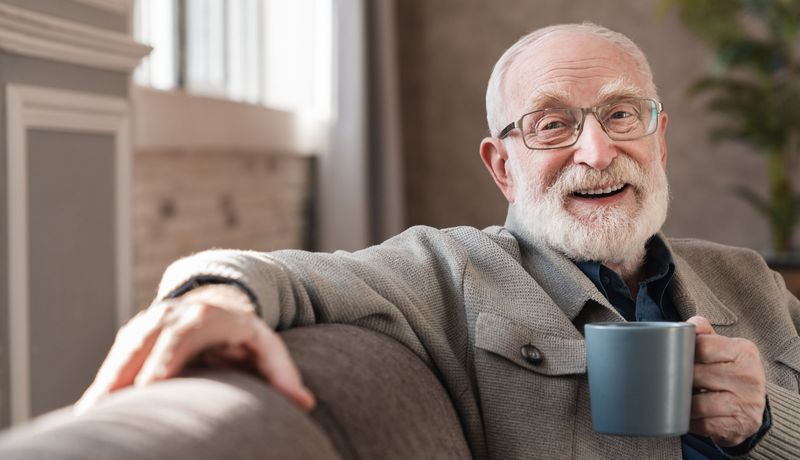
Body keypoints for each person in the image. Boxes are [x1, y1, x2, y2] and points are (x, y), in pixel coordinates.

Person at [77, 22, 800, 459]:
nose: (595, 151)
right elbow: (283, 274)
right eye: (552, 124)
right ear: (501, 165)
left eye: (620, 115)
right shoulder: (447, 269)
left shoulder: (750, 280)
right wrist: (213, 295)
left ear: (659, 140)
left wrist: (766, 421)